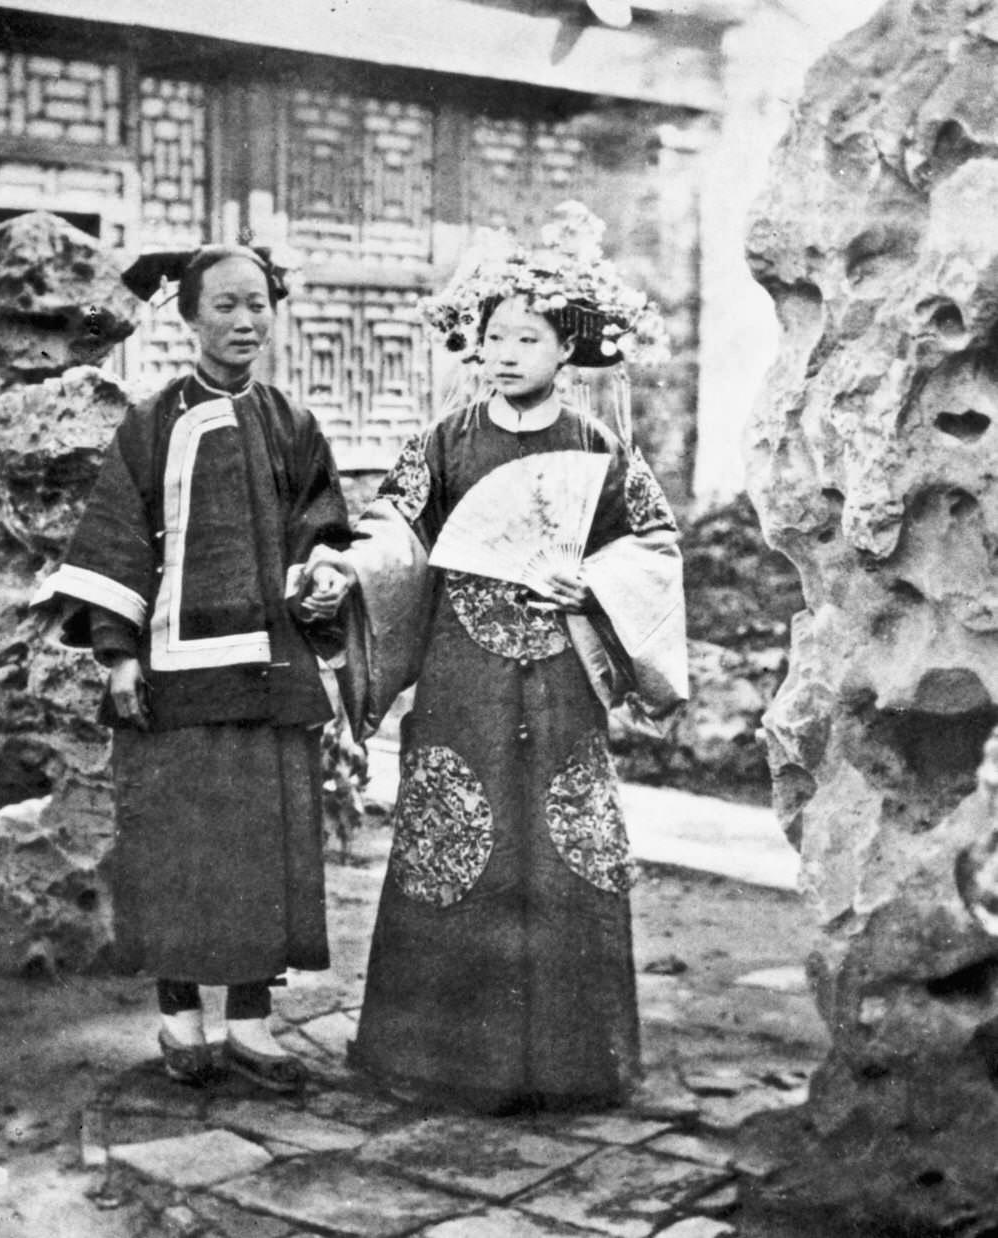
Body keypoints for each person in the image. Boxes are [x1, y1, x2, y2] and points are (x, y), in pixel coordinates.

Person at [311, 203, 688, 1112]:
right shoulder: (445, 443)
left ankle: (573, 1064)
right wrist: (346, 573)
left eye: (530, 336)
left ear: (568, 351)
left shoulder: (599, 445)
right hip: (462, 669)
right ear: (474, 347)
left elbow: (656, 544)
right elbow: (394, 533)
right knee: (456, 835)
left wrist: (592, 583)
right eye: (494, 337)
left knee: (562, 843)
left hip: (562, 671)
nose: (508, 352)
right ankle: (440, 1059)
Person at [32, 243, 353, 1091]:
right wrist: (118, 654)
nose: (246, 321)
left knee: (262, 842)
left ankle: (250, 1019)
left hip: (269, 667)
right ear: (188, 317)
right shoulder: (153, 421)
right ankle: (180, 1014)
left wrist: (322, 581)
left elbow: (322, 529)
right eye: (225, 306)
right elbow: (115, 538)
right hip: (173, 672)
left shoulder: (292, 421)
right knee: (177, 840)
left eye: (259, 305)